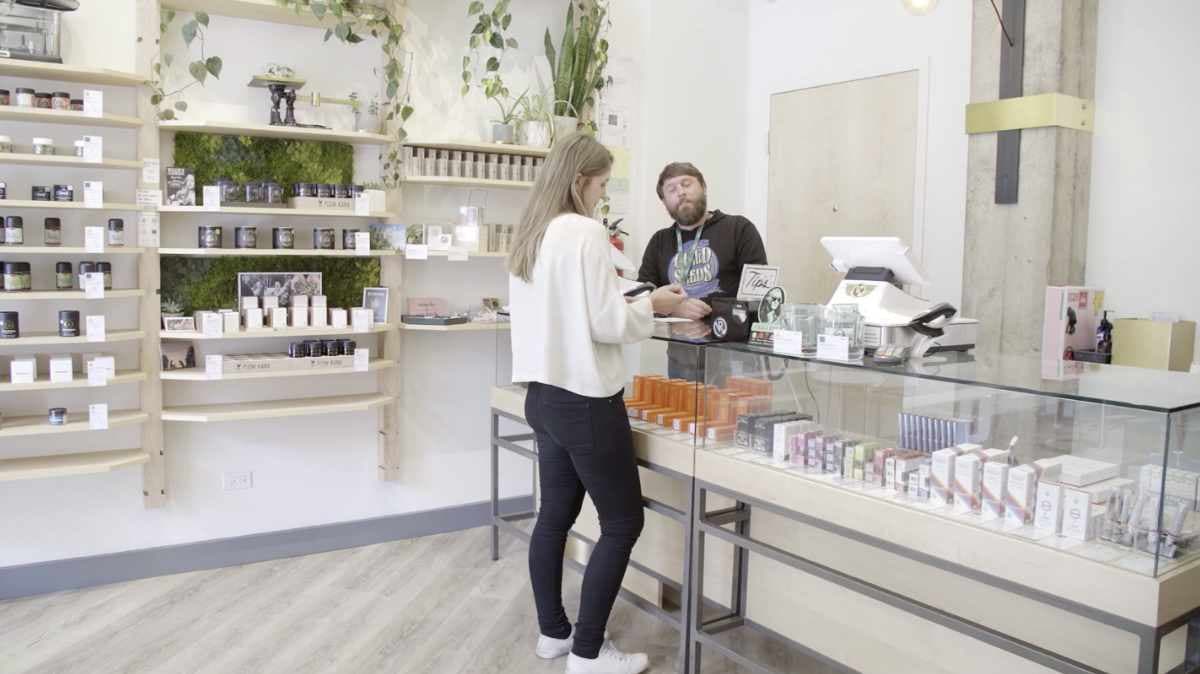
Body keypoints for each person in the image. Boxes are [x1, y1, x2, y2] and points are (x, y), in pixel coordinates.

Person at [508, 133, 685, 674]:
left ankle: (554, 634)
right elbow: (606, 323)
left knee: (554, 515)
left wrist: (623, 296)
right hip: (586, 401)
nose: (602, 195)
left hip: (543, 397)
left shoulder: (531, 233)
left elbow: (573, 309)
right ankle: (588, 653)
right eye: (603, 184)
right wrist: (651, 303)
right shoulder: (585, 232)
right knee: (623, 522)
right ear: (580, 180)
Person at [637, 162, 768, 377]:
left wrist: (712, 309)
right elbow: (643, 295)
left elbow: (758, 295)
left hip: (734, 351)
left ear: (703, 187)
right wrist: (675, 308)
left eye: (686, 184)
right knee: (684, 411)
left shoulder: (739, 229)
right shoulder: (660, 241)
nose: (680, 192)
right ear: (664, 202)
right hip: (683, 355)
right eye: (671, 189)